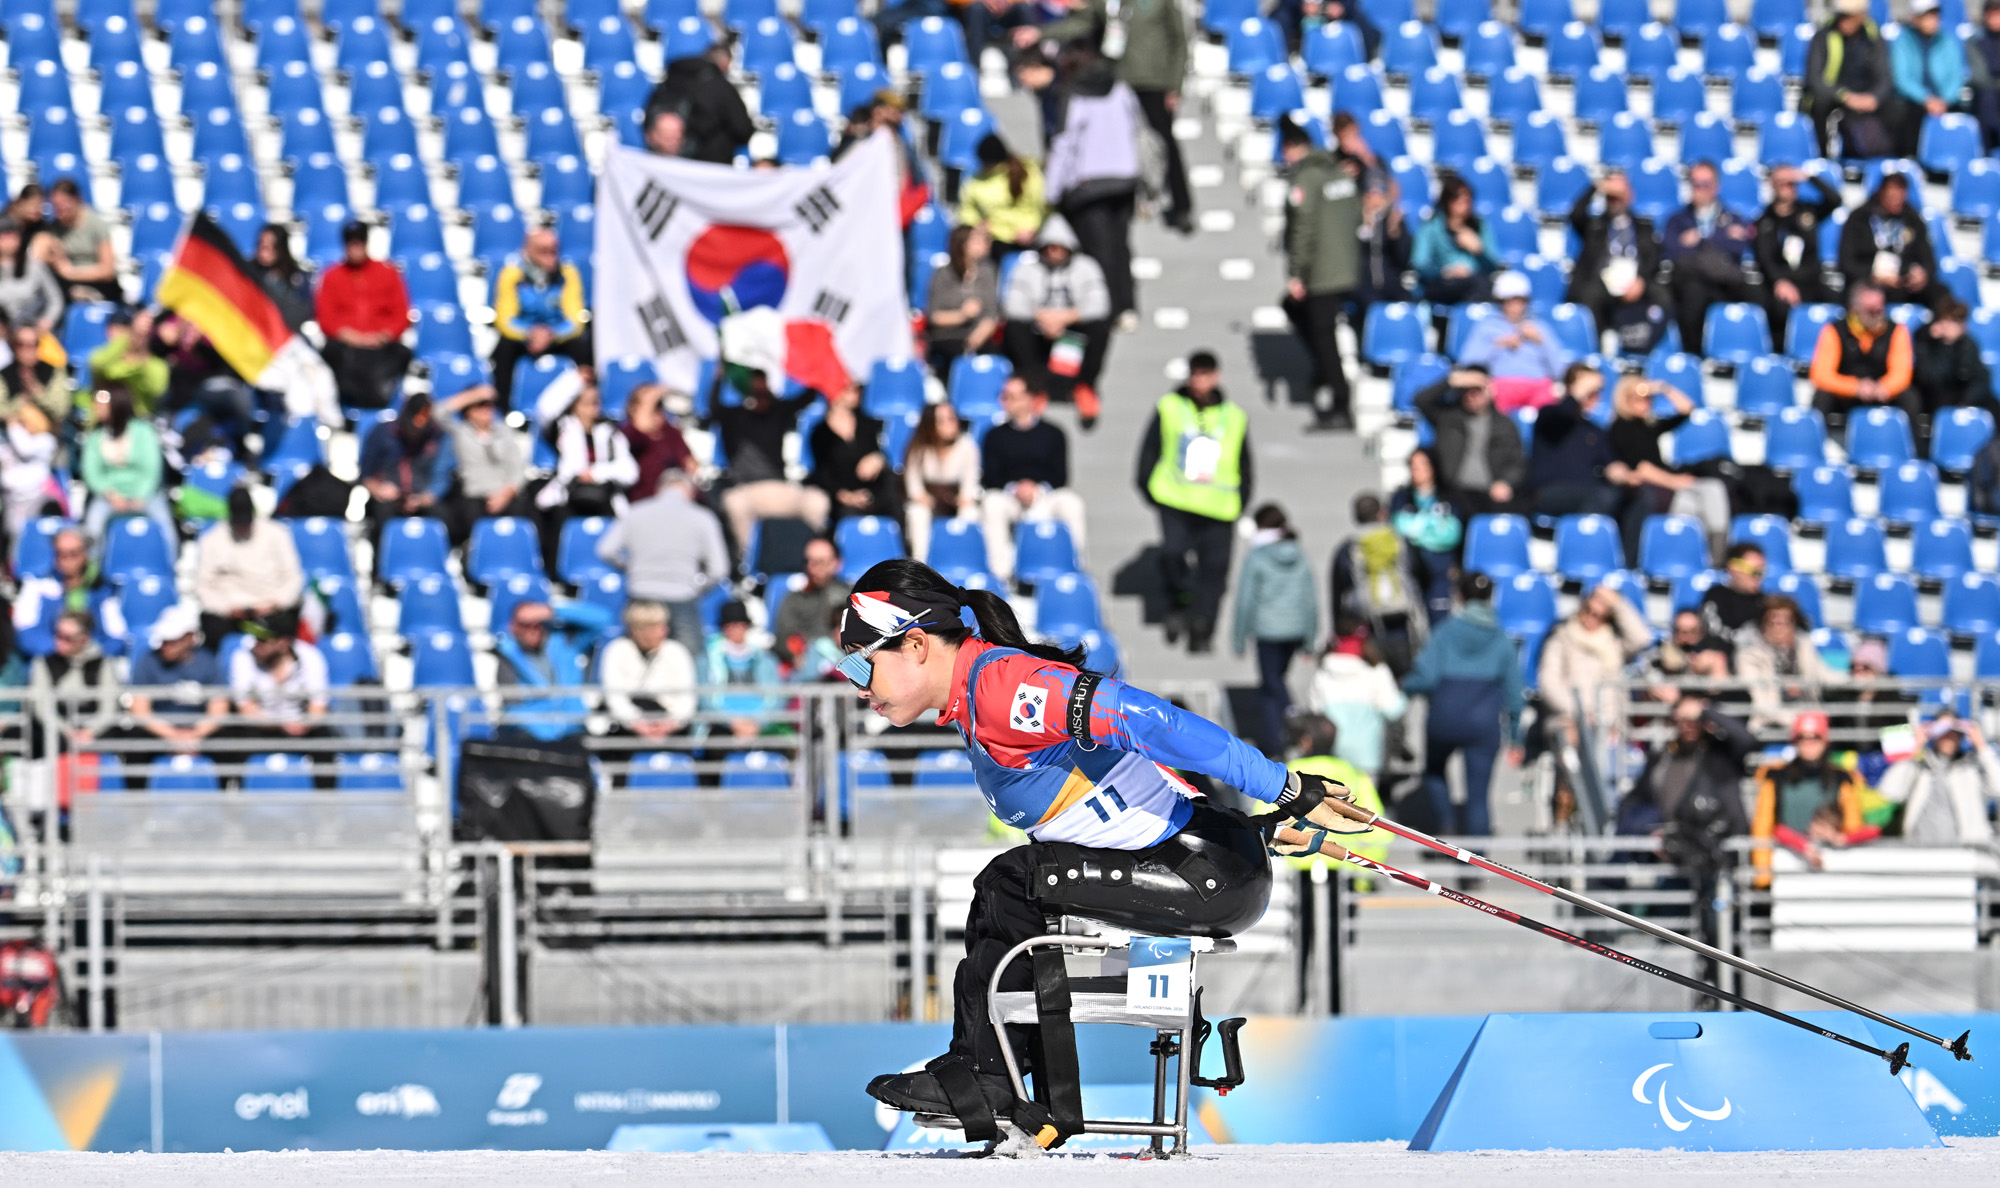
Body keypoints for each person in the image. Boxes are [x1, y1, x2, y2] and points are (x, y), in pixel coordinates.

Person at [848, 559, 1364, 1142]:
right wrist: (1251, 830)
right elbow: (1123, 779)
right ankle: (1013, 1090)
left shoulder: (1002, 687)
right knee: (1015, 890)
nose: (855, 683)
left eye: (859, 662)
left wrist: (1282, 787)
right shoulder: (974, 697)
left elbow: (1153, 721)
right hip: (1207, 852)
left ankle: (997, 1082)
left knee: (1008, 884)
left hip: (1201, 873)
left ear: (915, 644)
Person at [1040, 0, 1192, 233]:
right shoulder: (1107, 3)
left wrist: (1175, 84)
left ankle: (1181, 206)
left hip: (1153, 81)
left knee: (1163, 143)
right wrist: (1040, 33)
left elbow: (1178, 40)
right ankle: (1130, 201)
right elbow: (1081, 23)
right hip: (1117, 81)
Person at [1136, 350, 1252, 654]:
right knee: (1172, 553)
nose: (1198, 381)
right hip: (1176, 499)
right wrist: (1149, 489)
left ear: (1216, 376)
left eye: (1204, 374)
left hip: (1219, 506)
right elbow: (1150, 450)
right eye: (1194, 374)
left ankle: (1202, 631)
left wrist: (1241, 501)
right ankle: (1179, 600)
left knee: (1214, 572)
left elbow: (1244, 462)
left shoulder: (1235, 416)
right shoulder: (1170, 407)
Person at [1401, 572, 1523, 837]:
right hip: (1484, 725)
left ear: (1460, 597)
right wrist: (1515, 737)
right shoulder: (1502, 640)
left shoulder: (1445, 632)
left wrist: (1405, 692)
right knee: (1478, 795)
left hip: (1444, 718)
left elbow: (1424, 677)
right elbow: (1515, 693)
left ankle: (1446, 827)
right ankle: (1475, 864)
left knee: (1434, 771)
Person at [1043, 47, 1142, 326]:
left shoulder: (1072, 95)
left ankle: (1106, 308)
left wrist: (1051, 192)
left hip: (1088, 185)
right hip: (1125, 178)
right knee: (1120, 245)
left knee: (1099, 251)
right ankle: (1127, 305)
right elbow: (1135, 127)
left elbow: (1064, 144)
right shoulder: (1121, 88)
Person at [1278, 116, 1362, 431]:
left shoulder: (1307, 179)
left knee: (1324, 337)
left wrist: (1297, 272)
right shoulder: (1337, 172)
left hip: (1322, 271)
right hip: (1345, 266)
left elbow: (1303, 229)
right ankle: (1323, 374)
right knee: (1295, 310)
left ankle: (1340, 401)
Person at [598, 469, 730, 660]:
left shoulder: (636, 512)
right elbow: (719, 569)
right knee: (690, 661)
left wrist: (631, 569)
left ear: (659, 489)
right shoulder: (702, 517)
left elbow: (605, 550)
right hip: (682, 597)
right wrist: (695, 587)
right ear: (690, 491)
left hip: (641, 595)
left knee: (637, 659)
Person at [1608, 375, 1733, 565]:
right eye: (1638, 397)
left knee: (1713, 489)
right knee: (1691, 504)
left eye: (1648, 398)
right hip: (1654, 489)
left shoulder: (1648, 425)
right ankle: (1703, 561)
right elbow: (1641, 468)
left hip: (1668, 484)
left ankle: (1717, 557)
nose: (1646, 402)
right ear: (1624, 398)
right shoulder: (1620, 428)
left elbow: (1687, 409)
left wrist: (1663, 388)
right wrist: (1675, 482)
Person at [1616, 695, 1755, 861]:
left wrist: (1705, 712)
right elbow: (1635, 800)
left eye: (1694, 720)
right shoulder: (1661, 760)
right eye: (1683, 719)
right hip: (1672, 851)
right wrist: (1649, 831)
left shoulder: (1720, 756)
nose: (1688, 725)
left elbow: (1748, 741)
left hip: (1716, 851)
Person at [1002, 215, 1113, 424]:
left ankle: (1085, 386)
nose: (1054, 252)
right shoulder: (1028, 268)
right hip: (1039, 332)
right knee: (1015, 328)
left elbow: (1100, 304)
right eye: (1050, 247)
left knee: (1100, 328)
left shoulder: (1086, 267)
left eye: (1059, 247)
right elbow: (1012, 305)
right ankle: (1035, 388)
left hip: (1073, 331)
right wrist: (1042, 316)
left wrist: (1065, 317)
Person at [1232, 504, 1321, 758]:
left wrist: (1238, 638)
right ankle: (1278, 738)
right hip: (1294, 631)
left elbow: (1245, 601)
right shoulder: (1300, 556)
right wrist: (1310, 638)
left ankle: (1289, 723)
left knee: (1272, 684)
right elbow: (1310, 599)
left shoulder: (1257, 557)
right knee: (1273, 682)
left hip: (1267, 632)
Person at [980, 376, 1089, 583]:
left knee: (1072, 503)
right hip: (1009, 498)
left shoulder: (1054, 434)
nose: (1006, 402)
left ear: (1030, 398)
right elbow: (991, 477)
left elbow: (1060, 476)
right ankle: (1000, 574)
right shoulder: (994, 436)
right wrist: (1015, 489)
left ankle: (1074, 566)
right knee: (991, 503)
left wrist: (1036, 490)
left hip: (1044, 496)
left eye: (1012, 396)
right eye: (1005, 396)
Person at [1750, 710, 1877, 888]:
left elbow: (1860, 827)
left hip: (1832, 868)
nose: (1809, 743)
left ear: (1825, 741)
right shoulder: (1775, 777)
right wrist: (1763, 875)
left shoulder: (1843, 778)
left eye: (1815, 737)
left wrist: (1838, 838)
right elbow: (1765, 827)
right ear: (1795, 741)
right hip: (1788, 868)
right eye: (1803, 737)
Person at [707, 367, 828, 549]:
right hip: (746, 489)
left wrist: (813, 368)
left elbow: (808, 397)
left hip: (780, 488)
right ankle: (747, 563)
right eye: (757, 391)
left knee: (816, 501)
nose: (761, 395)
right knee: (734, 503)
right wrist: (719, 377)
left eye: (764, 390)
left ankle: (814, 555)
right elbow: (713, 407)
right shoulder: (733, 417)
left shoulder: (777, 412)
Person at [1662, 160, 1763, 358]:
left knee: (1758, 294)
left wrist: (1698, 239)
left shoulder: (1733, 217)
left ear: (1716, 186)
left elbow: (1739, 246)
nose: (1700, 190)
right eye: (1695, 184)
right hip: (1694, 286)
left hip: (1724, 285)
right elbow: (1672, 249)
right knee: (1693, 292)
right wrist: (1721, 236)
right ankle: (1693, 356)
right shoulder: (1676, 219)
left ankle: (1762, 354)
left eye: (1705, 184)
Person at [536, 376, 638, 572]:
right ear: (574, 405)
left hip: (604, 497)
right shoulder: (564, 428)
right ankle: (556, 574)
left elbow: (630, 471)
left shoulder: (611, 433)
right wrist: (574, 380)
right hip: (570, 496)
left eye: (596, 402)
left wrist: (598, 472)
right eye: (587, 403)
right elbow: (545, 408)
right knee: (558, 520)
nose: (593, 408)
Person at [1567, 169, 1669, 357]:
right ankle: (1595, 355)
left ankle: (1647, 352)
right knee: (1590, 296)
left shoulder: (1644, 226)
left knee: (1663, 296)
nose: (1614, 200)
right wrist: (1598, 185)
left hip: (1634, 283)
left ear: (1630, 196)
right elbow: (1575, 214)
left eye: (1619, 195)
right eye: (1610, 196)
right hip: (1602, 283)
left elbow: (1654, 258)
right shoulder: (1595, 225)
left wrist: (1641, 282)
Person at [123, 604, 230, 781]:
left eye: (172, 640)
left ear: (190, 638)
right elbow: (140, 710)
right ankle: (137, 802)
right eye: (164, 640)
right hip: (159, 732)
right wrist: (173, 736)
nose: (165, 646)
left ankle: (224, 798)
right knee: (135, 743)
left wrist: (195, 735)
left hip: (199, 733)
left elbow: (219, 710)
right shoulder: (148, 661)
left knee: (228, 744)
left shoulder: (209, 662)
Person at [1536, 584, 1652, 745]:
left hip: (1610, 722)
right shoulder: (1562, 638)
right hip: (1571, 719)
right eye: (1588, 610)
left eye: (1599, 615)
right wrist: (1580, 713)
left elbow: (1642, 638)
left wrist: (1617, 603)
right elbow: (1549, 683)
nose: (1590, 618)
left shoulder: (1613, 643)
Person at [489, 227, 591, 411]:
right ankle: (502, 409)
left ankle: (587, 404)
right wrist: (530, 334)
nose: (551, 256)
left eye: (554, 250)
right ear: (529, 250)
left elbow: (576, 320)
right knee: (503, 349)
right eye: (544, 251)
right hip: (525, 338)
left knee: (583, 345)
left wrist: (551, 334)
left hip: (557, 336)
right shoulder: (511, 274)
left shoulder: (568, 273)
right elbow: (504, 320)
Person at [316, 222, 413, 410]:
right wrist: (351, 336)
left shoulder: (388, 273)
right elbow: (325, 317)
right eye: (351, 242)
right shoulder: (332, 275)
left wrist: (382, 336)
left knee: (402, 353)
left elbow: (402, 315)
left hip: (380, 347)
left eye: (359, 241)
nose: (355, 247)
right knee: (330, 352)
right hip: (347, 348)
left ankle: (378, 401)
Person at [1331, 492, 1430, 675]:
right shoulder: (1401, 542)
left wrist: (1338, 630)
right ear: (1382, 513)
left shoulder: (1349, 548)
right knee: (1401, 682)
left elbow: (1339, 593)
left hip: (1365, 629)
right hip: (1403, 625)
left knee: (1372, 683)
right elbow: (1422, 575)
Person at [1808, 281, 1922, 440]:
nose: (1877, 314)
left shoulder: (1897, 331)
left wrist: (1885, 387)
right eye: (1870, 310)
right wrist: (1856, 387)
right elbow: (1820, 375)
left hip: (1882, 392)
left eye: (1879, 309)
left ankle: (1915, 454)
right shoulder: (1834, 330)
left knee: (1910, 397)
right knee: (1822, 396)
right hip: (1847, 395)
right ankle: (1815, 445)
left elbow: (1902, 372)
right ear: (1855, 308)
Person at [194, 488, 305, 646]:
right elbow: (203, 587)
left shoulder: (277, 533)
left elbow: (294, 578)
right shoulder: (211, 540)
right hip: (230, 614)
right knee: (211, 627)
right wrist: (226, 608)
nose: (243, 527)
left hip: (271, 609)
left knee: (288, 624)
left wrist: (276, 602)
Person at [1413, 365, 1528, 518]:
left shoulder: (1505, 425)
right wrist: (1452, 381)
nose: (1471, 395)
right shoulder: (1448, 418)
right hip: (1453, 493)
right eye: (1466, 390)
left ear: (1489, 390)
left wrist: (1506, 483)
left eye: (1477, 390)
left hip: (1490, 494)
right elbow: (1421, 400)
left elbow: (1517, 462)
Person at [80, 383, 176, 564]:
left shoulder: (143, 431)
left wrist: (140, 496)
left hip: (146, 495)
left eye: (102, 401)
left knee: (165, 527)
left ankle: (169, 570)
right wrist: (111, 494)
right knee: (93, 525)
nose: (96, 406)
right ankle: (93, 573)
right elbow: (91, 473)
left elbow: (151, 468)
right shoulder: (95, 437)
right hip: (109, 496)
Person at [1753, 165, 1845, 350]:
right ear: (1773, 186)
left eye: (1791, 183)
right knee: (1779, 309)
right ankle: (1782, 353)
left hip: (1812, 282)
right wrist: (1779, 281)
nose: (1789, 187)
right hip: (1783, 285)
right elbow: (1764, 258)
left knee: (1841, 302)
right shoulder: (1765, 220)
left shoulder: (1807, 212)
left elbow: (1835, 200)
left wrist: (1807, 177)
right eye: (1783, 183)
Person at [494, 598, 611, 743]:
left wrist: (550, 611)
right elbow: (512, 705)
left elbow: (603, 620)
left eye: (537, 624)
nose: (532, 630)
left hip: (573, 728)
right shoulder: (507, 655)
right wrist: (546, 729)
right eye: (525, 625)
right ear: (513, 627)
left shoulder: (566, 642)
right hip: (532, 734)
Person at [1527, 364, 1633, 520]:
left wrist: (1625, 475)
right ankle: (1583, 539)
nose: (1594, 397)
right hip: (1548, 491)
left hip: (1589, 492)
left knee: (1639, 497)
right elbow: (1562, 411)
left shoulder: (1594, 430)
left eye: (1597, 392)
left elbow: (1611, 465)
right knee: (1603, 495)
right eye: (1589, 392)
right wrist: (1581, 389)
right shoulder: (1549, 414)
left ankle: (1629, 545)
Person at [1307, 621, 1409, 783]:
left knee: (1335, 803)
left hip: (1332, 754)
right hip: (1366, 755)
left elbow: (1314, 710)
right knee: (1365, 805)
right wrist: (1405, 696)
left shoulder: (1323, 673)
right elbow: (1393, 710)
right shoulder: (1376, 671)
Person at [1879, 713, 2000, 844]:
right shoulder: (1920, 767)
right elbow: (1889, 792)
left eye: (1953, 731)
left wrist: (1982, 748)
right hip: (1920, 848)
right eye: (1942, 731)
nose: (1948, 737)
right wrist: (1913, 748)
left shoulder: (1971, 768)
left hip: (1964, 851)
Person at [1459, 271, 1571, 408]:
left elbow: (1560, 370)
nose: (1516, 306)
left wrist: (1542, 342)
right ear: (1501, 301)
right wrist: (1499, 345)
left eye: (1521, 300)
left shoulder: (1540, 327)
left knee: (1551, 405)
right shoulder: (1487, 326)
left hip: (1538, 386)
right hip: (1500, 386)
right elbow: (1468, 362)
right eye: (1510, 300)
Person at [358, 392, 452, 552]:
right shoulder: (381, 432)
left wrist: (425, 498)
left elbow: (442, 476)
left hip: (422, 497)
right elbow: (365, 475)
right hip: (387, 498)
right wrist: (379, 489)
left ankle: (434, 566)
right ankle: (381, 571)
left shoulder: (438, 437)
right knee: (382, 515)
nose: (415, 432)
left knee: (443, 517)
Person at [1803, 0, 1899, 159]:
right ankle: (1822, 158)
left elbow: (1885, 77)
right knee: (1818, 104)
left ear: (1861, 16)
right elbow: (1814, 79)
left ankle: (1890, 161)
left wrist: (1874, 97)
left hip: (1866, 95)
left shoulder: (1874, 37)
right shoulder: (1824, 36)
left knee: (1898, 108)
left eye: (1849, 16)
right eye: (1841, 15)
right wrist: (1845, 96)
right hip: (1835, 95)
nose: (1844, 21)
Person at [435, 383, 527, 548]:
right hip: (475, 497)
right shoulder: (461, 432)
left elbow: (518, 468)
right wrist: (473, 395)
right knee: (469, 519)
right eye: (480, 406)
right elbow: (438, 413)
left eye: (489, 405)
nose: (486, 410)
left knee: (526, 516)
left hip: (505, 494)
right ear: (468, 411)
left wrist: (506, 493)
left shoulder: (504, 432)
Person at [11, 527, 125, 657]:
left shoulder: (103, 588)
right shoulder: (37, 584)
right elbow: (24, 635)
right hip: (50, 662)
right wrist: (57, 647)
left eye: (73, 554)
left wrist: (89, 651)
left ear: (85, 555)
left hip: (91, 664)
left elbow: (117, 638)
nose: (66, 560)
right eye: (61, 554)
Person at [599, 599, 698, 745]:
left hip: (670, 727)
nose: (665, 631)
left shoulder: (677, 652)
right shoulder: (616, 650)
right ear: (639, 630)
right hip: (628, 727)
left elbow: (687, 700)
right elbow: (615, 698)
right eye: (657, 627)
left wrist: (669, 724)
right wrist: (637, 724)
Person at [1735, 594, 1839, 732]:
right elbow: (1760, 702)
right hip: (1770, 724)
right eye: (1773, 622)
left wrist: (1856, 679)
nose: (1779, 627)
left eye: (1785, 621)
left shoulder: (1804, 647)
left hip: (1807, 721)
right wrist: (1798, 721)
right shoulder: (1750, 656)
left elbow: (1824, 675)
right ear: (1763, 625)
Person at [643, 37, 755, 165]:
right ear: (725, 63)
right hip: (709, 169)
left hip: (663, 165)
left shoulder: (670, 80)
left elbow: (648, 120)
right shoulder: (721, 87)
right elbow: (743, 129)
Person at [228, 612, 332, 747]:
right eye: (255, 637)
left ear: (283, 643)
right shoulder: (242, 657)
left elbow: (318, 708)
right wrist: (281, 724)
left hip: (302, 729)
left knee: (325, 741)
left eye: (263, 640)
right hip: (261, 729)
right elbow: (246, 708)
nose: (256, 644)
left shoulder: (310, 656)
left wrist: (305, 724)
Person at [1837, 174, 1939, 308]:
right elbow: (1846, 263)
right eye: (1892, 197)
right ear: (1881, 193)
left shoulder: (1913, 220)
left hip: (1903, 283)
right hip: (1868, 281)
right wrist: (1874, 277)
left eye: (1900, 198)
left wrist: (1922, 274)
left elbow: (1929, 261)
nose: (1896, 202)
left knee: (1939, 292)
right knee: (1863, 296)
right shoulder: (1858, 219)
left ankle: (1943, 327)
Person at [26, 609, 119, 758]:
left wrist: (90, 731)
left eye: (67, 637)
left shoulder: (103, 663)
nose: (59, 641)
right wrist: (66, 730)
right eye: (57, 634)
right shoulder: (43, 663)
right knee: (44, 738)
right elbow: (42, 708)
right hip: (57, 731)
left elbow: (109, 708)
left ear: (84, 638)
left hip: (93, 730)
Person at [1387, 447, 1462, 622]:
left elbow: (1451, 534)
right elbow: (1399, 527)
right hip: (1409, 569)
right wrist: (1431, 526)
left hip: (1441, 569)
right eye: (1413, 466)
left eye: (1422, 465)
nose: (1417, 470)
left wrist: (1418, 528)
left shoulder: (1449, 497)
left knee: (1439, 619)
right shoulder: (1401, 498)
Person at [808, 382, 897, 524]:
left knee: (896, 503)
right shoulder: (819, 433)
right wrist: (845, 496)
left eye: (856, 388)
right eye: (847, 388)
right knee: (848, 517)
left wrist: (879, 459)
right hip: (841, 499)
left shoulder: (869, 424)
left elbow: (884, 455)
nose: (855, 391)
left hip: (874, 494)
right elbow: (822, 472)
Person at [903, 402, 981, 562]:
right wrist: (926, 499)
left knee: (970, 513)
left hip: (957, 503)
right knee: (917, 512)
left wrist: (962, 499)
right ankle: (920, 565)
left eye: (952, 418)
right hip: (930, 504)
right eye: (943, 420)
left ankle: (962, 561)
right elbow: (914, 487)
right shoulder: (918, 449)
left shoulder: (967, 446)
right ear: (931, 425)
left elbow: (970, 483)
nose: (950, 424)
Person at [1411, 174, 1502, 309]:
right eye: (1460, 200)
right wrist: (1445, 271)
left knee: (1480, 285)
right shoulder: (1431, 227)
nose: (1465, 205)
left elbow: (1492, 266)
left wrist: (1478, 250)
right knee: (1477, 286)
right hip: (1442, 285)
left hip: (1474, 283)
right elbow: (1420, 264)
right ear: (1448, 201)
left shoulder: (1480, 226)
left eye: (1468, 200)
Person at [1890, 0, 1966, 156]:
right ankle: (1910, 158)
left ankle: (1952, 160)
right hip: (1916, 101)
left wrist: (1945, 99)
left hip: (1945, 101)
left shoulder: (1948, 41)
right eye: (1927, 16)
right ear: (1915, 18)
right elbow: (1902, 78)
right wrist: (1926, 99)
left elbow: (1957, 75)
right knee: (1905, 113)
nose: (1932, 20)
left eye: (1935, 15)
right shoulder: (1903, 41)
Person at [926, 225, 1003, 379]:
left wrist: (980, 333)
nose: (985, 244)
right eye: (977, 241)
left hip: (979, 335)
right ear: (962, 245)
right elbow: (934, 316)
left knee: (992, 355)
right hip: (949, 335)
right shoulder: (943, 273)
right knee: (955, 354)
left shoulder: (988, 271)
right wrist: (962, 315)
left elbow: (992, 311)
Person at [700, 601, 785, 739]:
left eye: (741, 625)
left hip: (760, 725)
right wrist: (732, 723)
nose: (737, 629)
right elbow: (705, 700)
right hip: (722, 726)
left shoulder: (766, 659)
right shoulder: (707, 659)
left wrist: (758, 724)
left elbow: (777, 698)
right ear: (724, 628)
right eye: (731, 625)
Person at [958, 135, 1048, 258]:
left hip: (1028, 239)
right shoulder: (975, 181)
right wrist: (976, 227)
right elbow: (967, 210)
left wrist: (1033, 229)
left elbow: (1043, 205)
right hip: (994, 239)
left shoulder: (1028, 173)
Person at [772, 535, 851, 672]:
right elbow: (784, 637)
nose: (813, 567)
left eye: (820, 562)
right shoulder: (794, 600)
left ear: (837, 563)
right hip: (807, 666)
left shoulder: (851, 597)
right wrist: (796, 652)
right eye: (809, 561)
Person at [0, 378, 63, 546]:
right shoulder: (11, 441)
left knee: (30, 538)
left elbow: (25, 448)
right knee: (12, 537)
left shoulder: (46, 441)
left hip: (35, 497)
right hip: (12, 499)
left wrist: (13, 426)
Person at [1912, 297, 1997, 419]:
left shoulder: (1968, 344)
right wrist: (1943, 346)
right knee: (1941, 403)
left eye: (1958, 322)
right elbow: (1931, 378)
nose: (1953, 327)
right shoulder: (1928, 344)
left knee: (1992, 403)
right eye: (1950, 321)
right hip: (1937, 394)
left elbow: (1981, 377)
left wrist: (1968, 399)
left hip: (1963, 395)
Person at [39, 178, 118, 303]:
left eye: (64, 204)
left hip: (98, 283)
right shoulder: (54, 229)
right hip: (68, 284)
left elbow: (107, 270)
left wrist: (72, 273)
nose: (60, 211)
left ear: (77, 199)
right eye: (56, 206)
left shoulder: (96, 224)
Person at [1647, 609, 1742, 707]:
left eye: (1692, 631)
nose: (1686, 637)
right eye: (1681, 631)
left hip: (1705, 707)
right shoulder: (1661, 652)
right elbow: (1651, 679)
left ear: (1701, 632)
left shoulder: (1711, 649)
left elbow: (1721, 684)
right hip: (1672, 709)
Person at [620, 381, 694, 503]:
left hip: (675, 500)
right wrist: (654, 395)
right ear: (633, 410)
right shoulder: (629, 433)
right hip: (644, 502)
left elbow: (690, 464)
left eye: (659, 407)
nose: (657, 414)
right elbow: (642, 424)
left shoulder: (671, 433)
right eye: (652, 408)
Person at [86, 309, 168, 413]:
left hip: (137, 422)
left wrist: (142, 356)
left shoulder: (156, 365)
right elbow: (97, 364)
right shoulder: (107, 357)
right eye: (126, 328)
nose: (138, 337)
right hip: (105, 421)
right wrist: (129, 337)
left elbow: (157, 388)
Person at [0, 217, 61, 334]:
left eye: (13, 235)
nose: (9, 240)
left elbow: (55, 298)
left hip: (33, 330)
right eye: (4, 235)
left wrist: (48, 320)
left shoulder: (34, 265)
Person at [248, 223, 314, 328]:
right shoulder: (248, 272)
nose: (264, 251)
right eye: (262, 245)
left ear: (281, 247)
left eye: (271, 246)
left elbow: (304, 311)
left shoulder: (296, 277)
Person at [1702, 543, 1771, 635]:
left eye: (1762, 572)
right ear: (1734, 567)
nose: (1758, 577)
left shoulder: (1765, 603)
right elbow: (1714, 632)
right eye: (1753, 571)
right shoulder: (1716, 596)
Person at [1970, 0, 2000, 151]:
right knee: (1986, 98)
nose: (1996, 18)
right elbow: (1979, 76)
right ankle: (1987, 150)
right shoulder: (1976, 41)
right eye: (1992, 14)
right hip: (1988, 92)